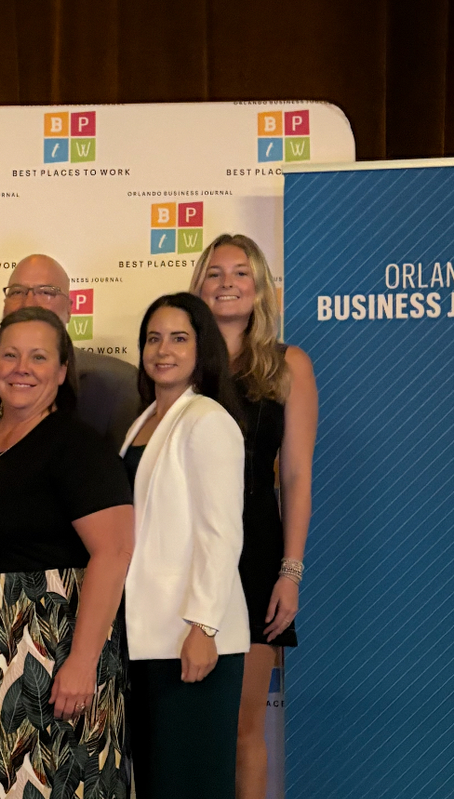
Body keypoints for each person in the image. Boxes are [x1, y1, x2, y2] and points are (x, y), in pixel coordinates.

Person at [0, 307, 135, 799]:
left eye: (39, 357)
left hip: (52, 649)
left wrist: (82, 662)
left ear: (62, 371)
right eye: (10, 355)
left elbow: (114, 551)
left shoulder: (78, 446)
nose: (22, 368)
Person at [189, 234, 317, 799]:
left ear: (261, 287)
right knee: (188, 725)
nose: (227, 283)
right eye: (215, 273)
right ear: (198, 287)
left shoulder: (289, 365)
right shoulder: (178, 359)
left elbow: (296, 477)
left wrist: (290, 572)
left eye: (241, 273)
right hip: (185, 551)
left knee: (244, 729)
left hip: (256, 553)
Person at [119, 293, 249, 799]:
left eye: (178, 338)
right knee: (157, 781)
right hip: (148, 636)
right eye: (153, 339)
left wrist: (203, 626)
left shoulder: (207, 419)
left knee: (191, 783)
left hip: (192, 639)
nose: (163, 350)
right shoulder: (144, 420)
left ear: (202, 348)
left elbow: (222, 533)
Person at [0, 254, 140, 450]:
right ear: (4, 305)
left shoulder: (120, 385)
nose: (29, 303)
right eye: (17, 292)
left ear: (70, 309)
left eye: (47, 292)